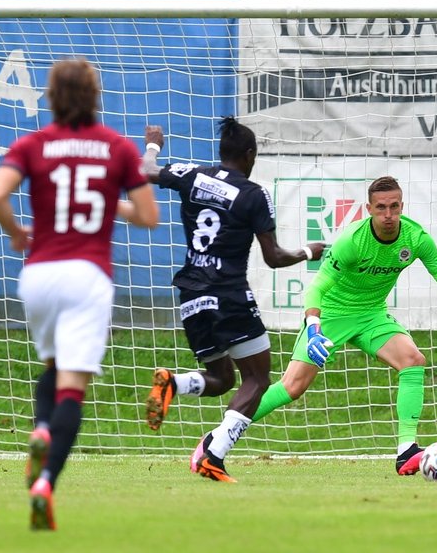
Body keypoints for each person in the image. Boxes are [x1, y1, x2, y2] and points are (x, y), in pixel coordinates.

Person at [0, 58, 159, 530]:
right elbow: (148, 216)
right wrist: (107, 205)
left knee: (52, 366)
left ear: (52, 97)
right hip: (87, 276)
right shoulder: (116, 148)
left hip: (39, 273)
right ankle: (45, 484)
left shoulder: (33, 144)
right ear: (94, 95)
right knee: (73, 389)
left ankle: (41, 429)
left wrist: (16, 233)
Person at [248, 175, 437, 475]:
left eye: (394, 207)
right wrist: (314, 329)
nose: (388, 215)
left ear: (402, 206)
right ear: (369, 208)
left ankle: (406, 450)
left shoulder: (415, 238)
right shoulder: (352, 241)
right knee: (293, 387)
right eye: (381, 207)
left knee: (413, 361)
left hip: (372, 314)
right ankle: (225, 431)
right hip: (333, 313)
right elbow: (316, 288)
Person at [139, 117, 325, 483]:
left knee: (221, 378)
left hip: (191, 294)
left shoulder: (191, 174)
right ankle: (214, 454)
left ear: (221, 153)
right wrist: (307, 251)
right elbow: (273, 257)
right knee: (256, 378)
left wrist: (153, 145)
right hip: (228, 293)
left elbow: (144, 170)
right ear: (250, 154)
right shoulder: (254, 194)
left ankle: (172, 383)